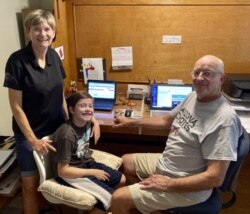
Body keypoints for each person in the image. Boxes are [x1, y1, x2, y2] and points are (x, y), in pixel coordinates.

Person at [111, 55, 243, 214]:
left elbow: (215, 178)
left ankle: (144, 201)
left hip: (186, 186)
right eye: (196, 73)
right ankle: (154, 208)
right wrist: (130, 122)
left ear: (221, 79)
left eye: (207, 73)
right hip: (169, 162)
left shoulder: (224, 121)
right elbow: (166, 120)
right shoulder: (194, 95)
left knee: (118, 198)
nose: (199, 78)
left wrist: (167, 184)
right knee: (126, 161)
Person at [3, 9, 100, 214]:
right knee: (30, 185)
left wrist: (86, 120)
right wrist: (32, 140)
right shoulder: (17, 61)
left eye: (47, 29)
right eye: (36, 29)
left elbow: (60, 96)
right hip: (30, 135)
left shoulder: (54, 56)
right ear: (28, 32)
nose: (43, 34)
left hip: (56, 129)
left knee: (56, 177)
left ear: (53, 32)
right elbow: (16, 106)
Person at [51, 91, 126, 213]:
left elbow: (90, 115)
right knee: (115, 200)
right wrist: (93, 172)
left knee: (121, 179)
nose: (88, 110)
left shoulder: (85, 120)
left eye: (90, 106)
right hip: (71, 174)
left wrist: (96, 123)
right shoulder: (67, 135)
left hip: (85, 162)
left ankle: (101, 203)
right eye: (82, 106)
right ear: (71, 110)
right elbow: (62, 171)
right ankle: (105, 201)